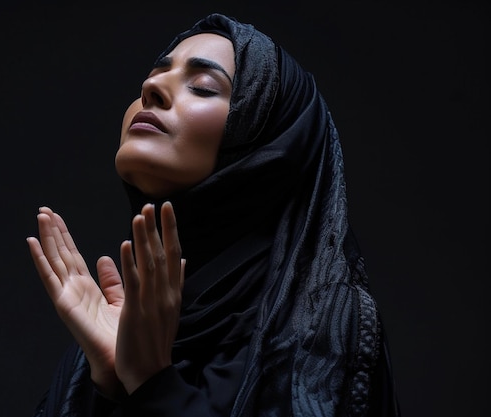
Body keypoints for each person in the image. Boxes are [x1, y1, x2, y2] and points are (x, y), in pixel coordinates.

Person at [26, 13, 400, 417]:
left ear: (266, 147)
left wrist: (152, 385)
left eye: (203, 87)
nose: (151, 87)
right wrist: (107, 386)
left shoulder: (322, 328)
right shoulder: (115, 329)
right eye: (153, 75)